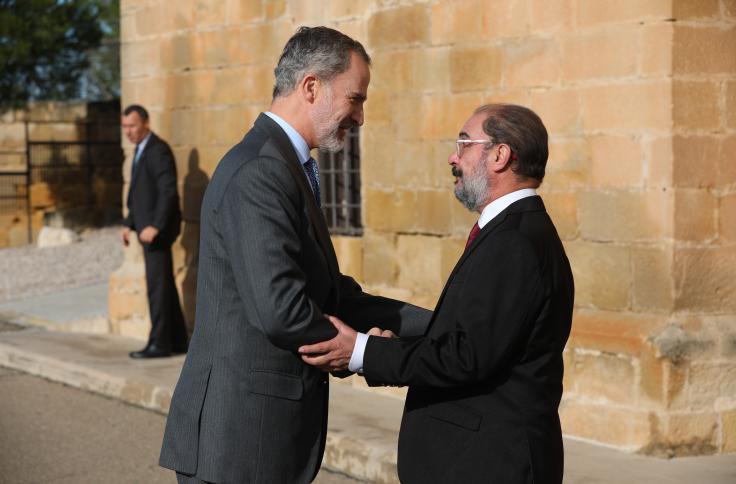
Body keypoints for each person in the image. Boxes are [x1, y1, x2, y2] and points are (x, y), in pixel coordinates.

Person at [159, 26, 430, 484]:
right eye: (355, 98)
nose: (360, 116)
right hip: (239, 444)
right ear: (311, 87)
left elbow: (333, 295)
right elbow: (281, 310)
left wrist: (439, 325)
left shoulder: (285, 165)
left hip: (253, 443)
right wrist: (360, 351)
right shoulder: (263, 169)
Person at [300, 104, 575, 484]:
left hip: (489, 464)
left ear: (500, 155)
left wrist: (362, 351)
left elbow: (466, 356)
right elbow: (477, 339)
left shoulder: (515, 242)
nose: (453, 157)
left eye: (464, 144)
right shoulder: (511, 232)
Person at [121, 104, 188, 359]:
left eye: (132, 125)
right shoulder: (140, 150)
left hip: (157, 233)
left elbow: (167, 191)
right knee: (165, 287)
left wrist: (156, 226)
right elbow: (138, 193)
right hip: (146, 229)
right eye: (125, 126)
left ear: (146, 124)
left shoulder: (158, 150)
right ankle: (179, 340)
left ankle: (159, 344)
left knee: (157, 288)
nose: (128, 131)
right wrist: (129, 223)